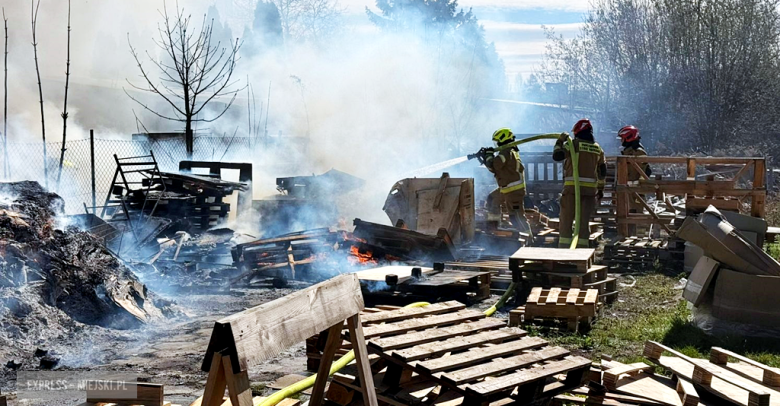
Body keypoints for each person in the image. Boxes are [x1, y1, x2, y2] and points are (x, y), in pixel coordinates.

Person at [553, 118, 606, 248]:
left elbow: (557, 156)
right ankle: (582, 249)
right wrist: (600, 189)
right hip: (590, 191)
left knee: (566, 220)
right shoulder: (597, 148)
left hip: (572, 190)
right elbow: (602, 171)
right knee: (583, 222)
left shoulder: (573, 144)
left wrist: (560, 141)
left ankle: (564, 249)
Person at [483, 128, 533, 240]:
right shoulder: (507, 151)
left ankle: (528, 238)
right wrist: (486, 158)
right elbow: (494, 168)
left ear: (503, 140)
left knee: (516, 216)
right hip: (506, 188)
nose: (496, 144)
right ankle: (494, 227)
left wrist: (489, 156)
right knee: (492, 199)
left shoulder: (506, 152)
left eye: (497, 142)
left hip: (514, 190)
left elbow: (495, 165)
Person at [618, 125, 652, 213]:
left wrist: (640, 186)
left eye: (622, 138)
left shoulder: (638, 152)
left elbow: (647, 170)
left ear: (628, 137)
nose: (621, 141)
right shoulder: (629, 151)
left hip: (636, 190)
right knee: (629, 214)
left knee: (636, 214)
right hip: (629, 189)